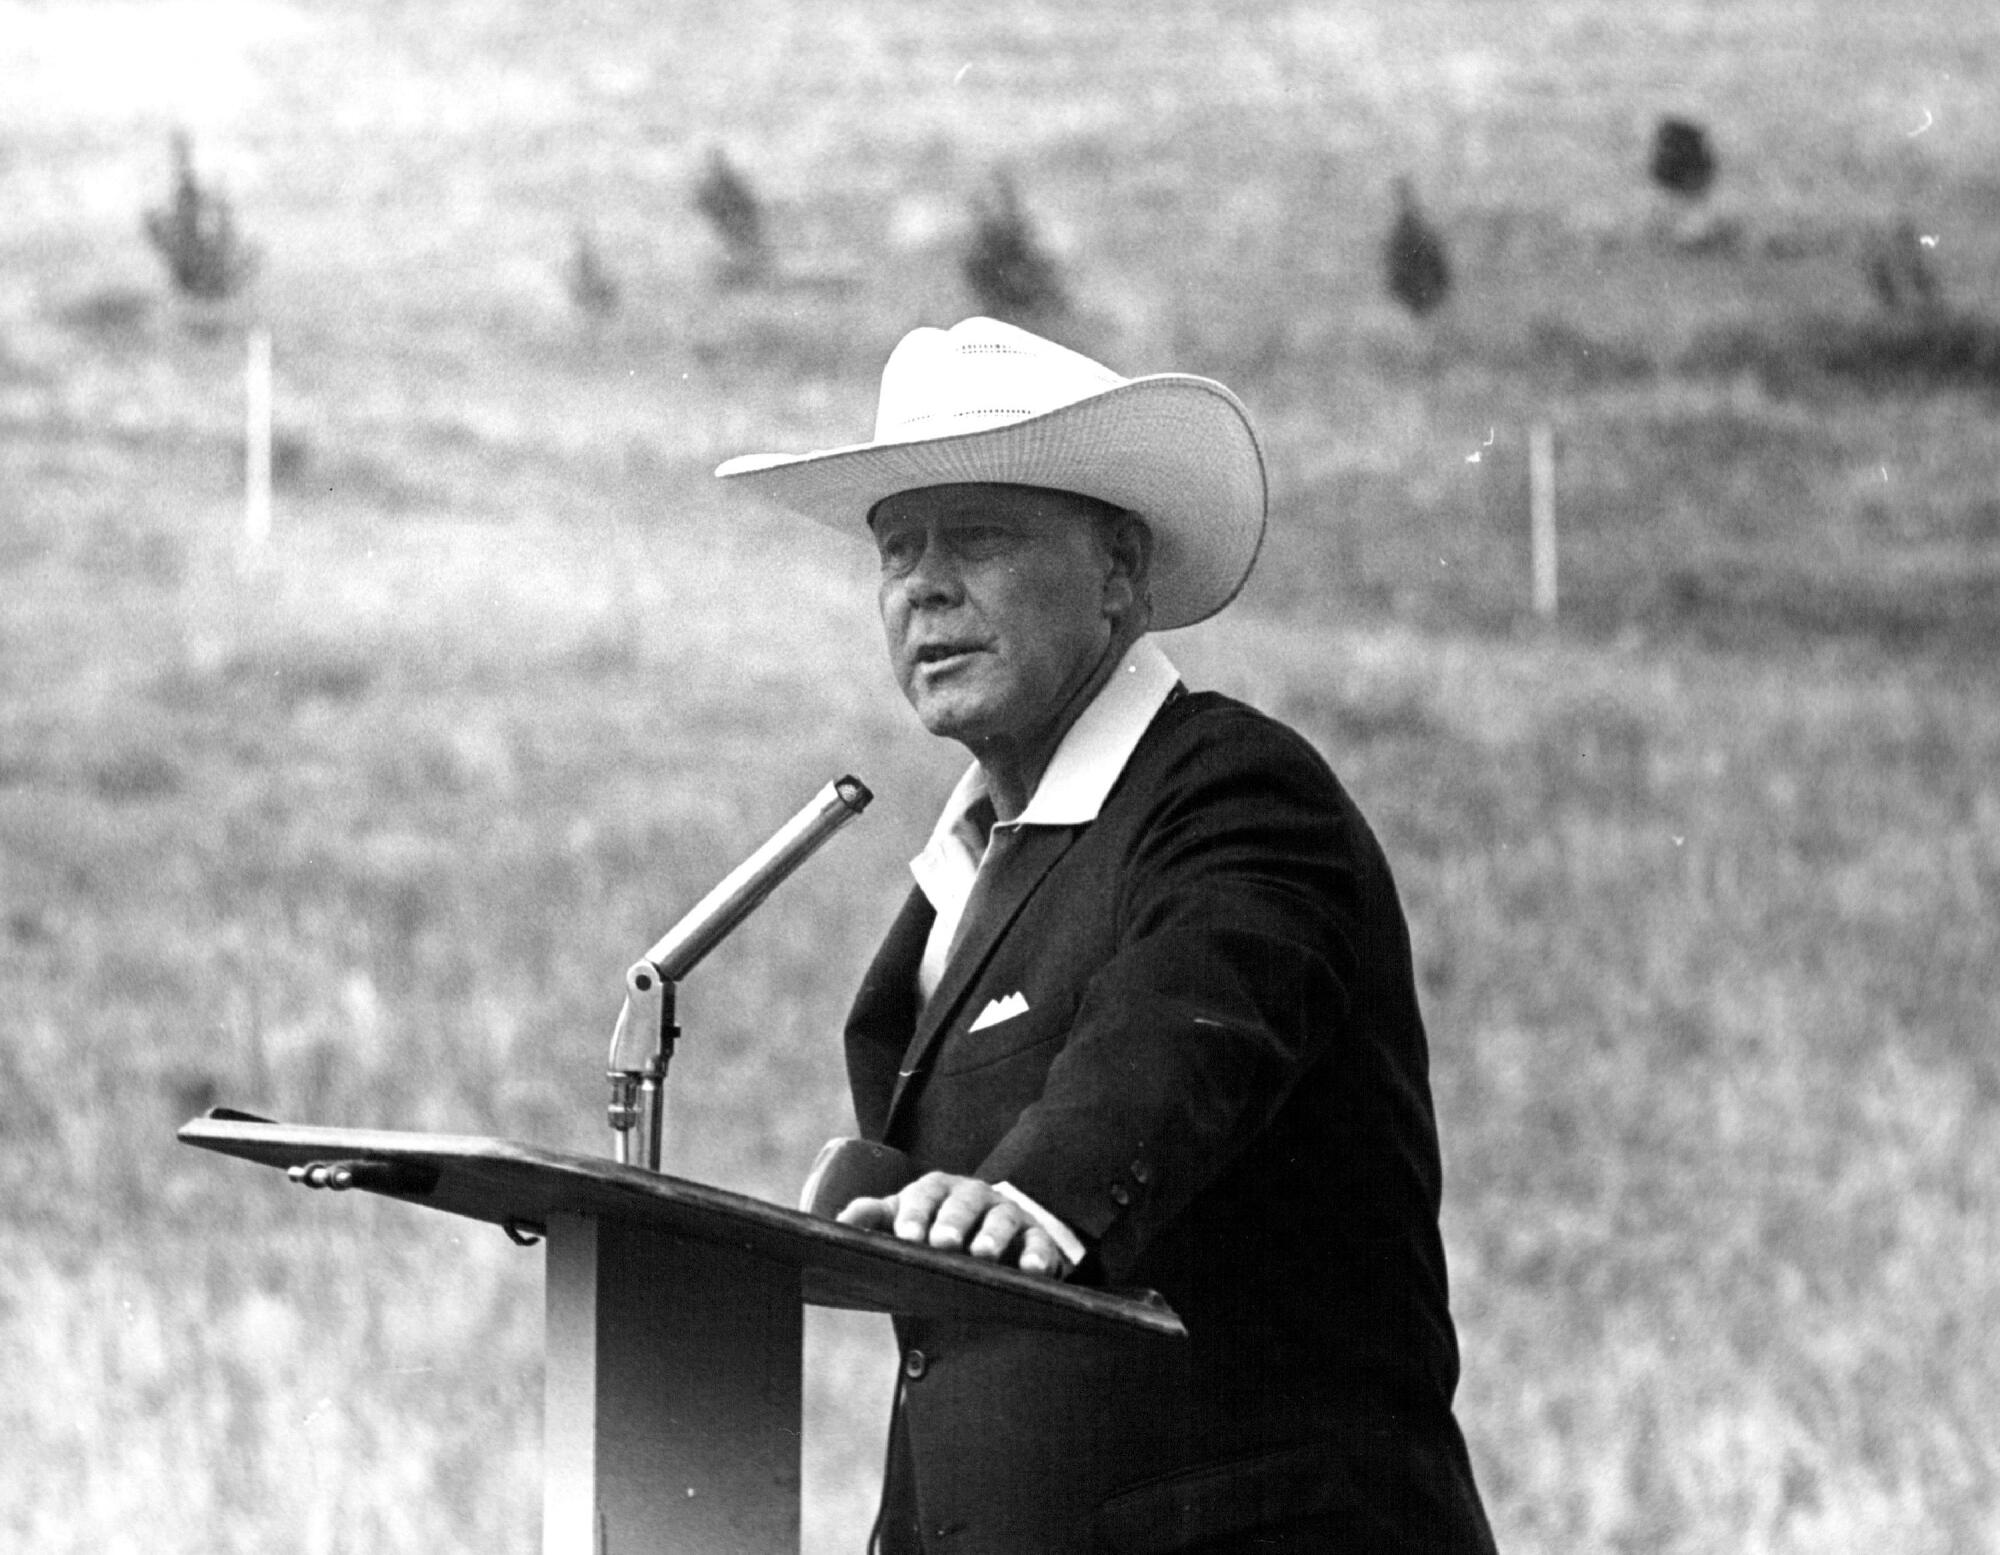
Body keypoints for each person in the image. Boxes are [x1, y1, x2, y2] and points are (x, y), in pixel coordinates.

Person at [716, 318, 1496, 1555]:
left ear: (1118, 571)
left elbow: (1184, 1022)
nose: (922, 585)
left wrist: (1038, 1186)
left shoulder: (1233, 794)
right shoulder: (962, 877)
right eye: (895, 548)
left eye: (975, 535)